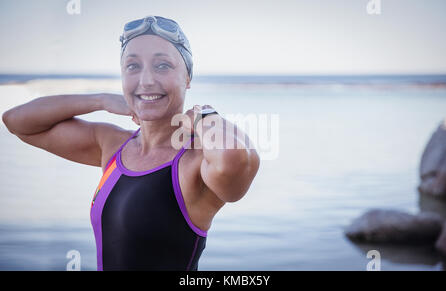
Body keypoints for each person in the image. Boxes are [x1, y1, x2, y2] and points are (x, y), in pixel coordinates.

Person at [1, 15, 260, 271]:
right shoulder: (112, 145)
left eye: (162, 66)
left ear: (187, 78)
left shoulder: (195, 162)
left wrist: (205, 116)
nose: (146, 80)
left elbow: (233, 160)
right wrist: (100, 100)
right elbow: (17, 121)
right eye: (133, 66)